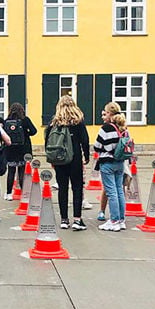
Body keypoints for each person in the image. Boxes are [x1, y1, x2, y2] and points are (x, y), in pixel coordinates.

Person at [45, 96, 90, 230]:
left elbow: (47, 140)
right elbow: (85, 140)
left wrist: (52, 158)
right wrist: (86, 156)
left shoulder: (54, 122)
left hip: (59, 159)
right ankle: (77, 219)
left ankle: (64, 220)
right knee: (77, 188)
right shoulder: (78, 121)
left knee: (62, 188)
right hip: (74, 158)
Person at [93, 102, 128, 232]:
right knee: (119, 191)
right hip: (120, 162)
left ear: (110, 114)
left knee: (111, 192)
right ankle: (121, 219)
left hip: (107, 162)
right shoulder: (123, 127)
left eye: (106, 113)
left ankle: (113, 220)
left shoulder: (106, 128)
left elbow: (97, 146)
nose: (104, 116)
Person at [3, 103, 37, 201]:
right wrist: (26, 133)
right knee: (22, 172)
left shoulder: (7, 121)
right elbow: (34, 131)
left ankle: (9, 193)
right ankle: (23, 194)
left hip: (10, 149)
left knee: (11, 171)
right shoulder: (25, 120)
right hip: (23, 149)